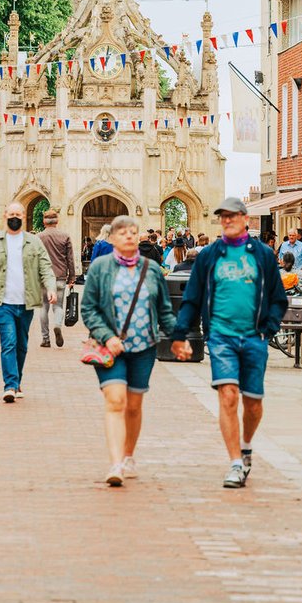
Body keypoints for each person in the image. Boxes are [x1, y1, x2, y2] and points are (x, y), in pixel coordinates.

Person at [171, 197, 288, 489]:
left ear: (245, 219)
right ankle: (235, 462)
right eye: (223, 216)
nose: (227, 220)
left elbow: (277, 298)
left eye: (232, 216)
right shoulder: (210, 256)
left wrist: (268, 329)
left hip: (253, 337)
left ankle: (246, 446)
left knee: (253, 404)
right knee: (228, 395)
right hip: (221, 336)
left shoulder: (261, 254)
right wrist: (179, 333)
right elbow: (193, 298)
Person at [81, 216, 175, 486]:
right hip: (110, 347)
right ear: (112, 238)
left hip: (143, 346)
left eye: (134, 232)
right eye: (123, 233)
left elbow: (164, 309)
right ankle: (115, 464)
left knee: (133, 406)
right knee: (115, 401)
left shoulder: (152, 269)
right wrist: (107, 336)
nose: (129, 237)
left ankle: (129, 455)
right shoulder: (100, 268)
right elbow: (89, 309)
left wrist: (179, 337)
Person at [0, 202, 56, 402]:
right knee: (9, 342)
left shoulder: (34, 242)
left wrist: (51, 287)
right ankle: (10, 385)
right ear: (5, 215)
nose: (15, 217)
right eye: (11, 214)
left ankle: (17, 380)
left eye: (18, 214)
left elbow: (45, 267)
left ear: (23, 216)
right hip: (2, 302)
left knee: (22, 345)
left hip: (26, 302)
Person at [38, 208, 76, 349]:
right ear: (57, 221)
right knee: (58, 305)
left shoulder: (39, 237)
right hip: (60, 276)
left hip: (43, 277)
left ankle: (45, 338)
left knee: (43, 306)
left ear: (44, 222)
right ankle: (57, 326)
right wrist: (72, 276)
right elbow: (70, 258)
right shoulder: (64, 236)